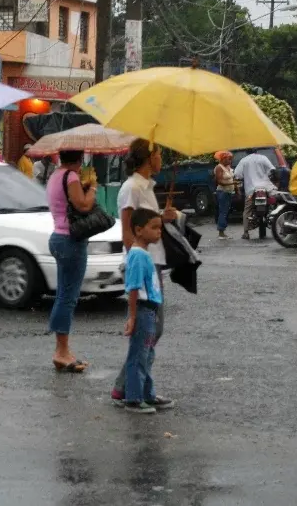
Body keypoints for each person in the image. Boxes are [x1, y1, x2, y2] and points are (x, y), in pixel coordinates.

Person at [110, 139, 175, 409]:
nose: (161, 159)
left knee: (153, 330)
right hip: (144, 265)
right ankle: (127, 388)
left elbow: (145, 224)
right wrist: (136, 261)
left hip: (155, 261)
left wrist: (164, 217)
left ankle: (133, 386)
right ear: (148, 157)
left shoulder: (147, 187)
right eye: (159, 153)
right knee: (147, 329)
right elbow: (128, 230)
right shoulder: (132, 188)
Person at [46, 150, 97, 373]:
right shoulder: (71, 176)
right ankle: (61, 351)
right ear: (79, 158)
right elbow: (84, 206)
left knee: (64, 295)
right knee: (68, 297)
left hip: (58, 237)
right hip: (71, 240)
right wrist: (93, 186)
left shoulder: (56, 176)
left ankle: (63, 349)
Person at [122, 208, 164, 414]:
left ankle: (147, 394)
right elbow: (133, 288)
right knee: (139, 355)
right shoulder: (138, 255)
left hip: (150, 311)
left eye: (160, 227)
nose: (159, 232)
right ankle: (133, 398)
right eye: (154, 227)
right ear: (139, 230)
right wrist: (132, 316)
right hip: (142, 311)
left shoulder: (143, 253)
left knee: (147, 355)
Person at [233, 148, 275, 240]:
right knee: (276, 205)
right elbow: (272, 169)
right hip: (266, 188)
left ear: (246, 152)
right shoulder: (263, 158)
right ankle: (281, 229)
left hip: (251, 190)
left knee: (247, 209)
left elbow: (237, 174)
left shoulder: (244, 160)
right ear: (256, 151)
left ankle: (246, 233)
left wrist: (242, 177)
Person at [214, 151, 236, 239]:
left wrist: (236, 188)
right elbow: (219, 181)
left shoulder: (228, 167)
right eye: (228, 158)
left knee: (226, 212)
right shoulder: (219, 167)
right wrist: (231, 184)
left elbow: (231, 179)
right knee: (223, 212)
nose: (230, 160)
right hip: (222, 192)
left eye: (231, 159)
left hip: (229, 192)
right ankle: (221, 232)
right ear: (223, 159)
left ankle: (223, 232)